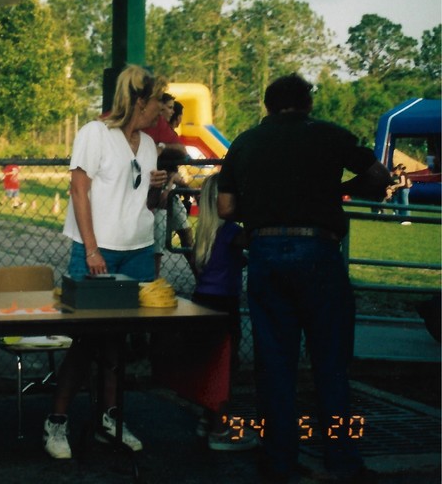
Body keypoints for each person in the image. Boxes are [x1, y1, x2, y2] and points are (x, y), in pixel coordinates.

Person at [217, 73, 390, 483]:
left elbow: (226, 207)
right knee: (331, 362)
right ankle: (342, 459)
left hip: (266, 252)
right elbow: (380, 177)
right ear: (307, 103)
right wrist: (340, 190)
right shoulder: (329, 134)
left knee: (274, 364)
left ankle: (279, 460)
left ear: (268, 105)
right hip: (319, 253)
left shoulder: (244, 142)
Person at [43, 64, 168, 460]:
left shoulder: (148, 144)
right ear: (138, 100)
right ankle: (57, 422)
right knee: (86, 341)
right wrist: (93, 249)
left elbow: (143, 202)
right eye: (157, 102)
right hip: (97, 250)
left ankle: (109, 419)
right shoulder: (94, 134)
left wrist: (158, 192)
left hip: (138, 250)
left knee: (118, 343)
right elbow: (79, 192)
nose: (163, 110)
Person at [189, 174, 257, 452]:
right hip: (223, 305)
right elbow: (253, 241)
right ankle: (220, 429)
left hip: (202, 300)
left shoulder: (205, 233)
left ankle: (207, 419)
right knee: (226, 368)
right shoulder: (230, 231)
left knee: (210, 364)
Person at [153, 148, 193, 280]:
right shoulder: (156, 134)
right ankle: (155, 278)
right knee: (158, 241)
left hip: (171, 192)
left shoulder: (170, 136)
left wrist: (172, 182)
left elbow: (182, 153)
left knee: (186, 233)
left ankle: (201, 277)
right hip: (157, 191)